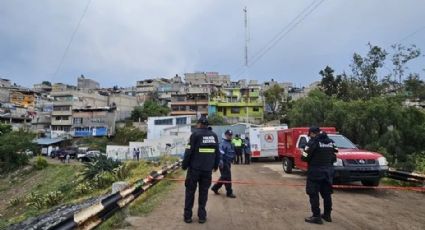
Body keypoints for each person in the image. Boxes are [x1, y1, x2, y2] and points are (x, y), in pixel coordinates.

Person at [182, 117, 220, 224]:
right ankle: (202, 217)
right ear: (207, 125)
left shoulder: (195, 135)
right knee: (203, 193)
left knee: (190, 192)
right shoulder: (214, 135)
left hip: (194, 170)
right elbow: (217, 152)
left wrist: (184, 165)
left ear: (199, 124)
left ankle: (188, 216)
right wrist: (215, 165)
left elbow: (188, 151)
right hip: (207, 170)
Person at [302, 126, 338, 224]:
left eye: (310, 134)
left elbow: (304, 157)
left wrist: (305, 154)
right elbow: (335, 154)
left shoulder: (312, 142)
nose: (310, 136)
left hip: (315, 172)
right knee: (327, 194)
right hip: (328, 172)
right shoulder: (331, 142)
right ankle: (327, 215)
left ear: (312, 133)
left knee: (313, 194)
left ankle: (316, 216)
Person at [211, 129, 237, 198]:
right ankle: (229, 192)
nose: (230, 136)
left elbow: (232, 152)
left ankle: (215, 188)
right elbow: (220, 154)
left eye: (231, 135)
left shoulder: (230, 143)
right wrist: (221, 162)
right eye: (228, 135)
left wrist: (233, 158)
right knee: (228, 178)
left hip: (228, 163)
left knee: (224, 177)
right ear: (225, 135)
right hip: (224, 163)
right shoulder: (223, 144)